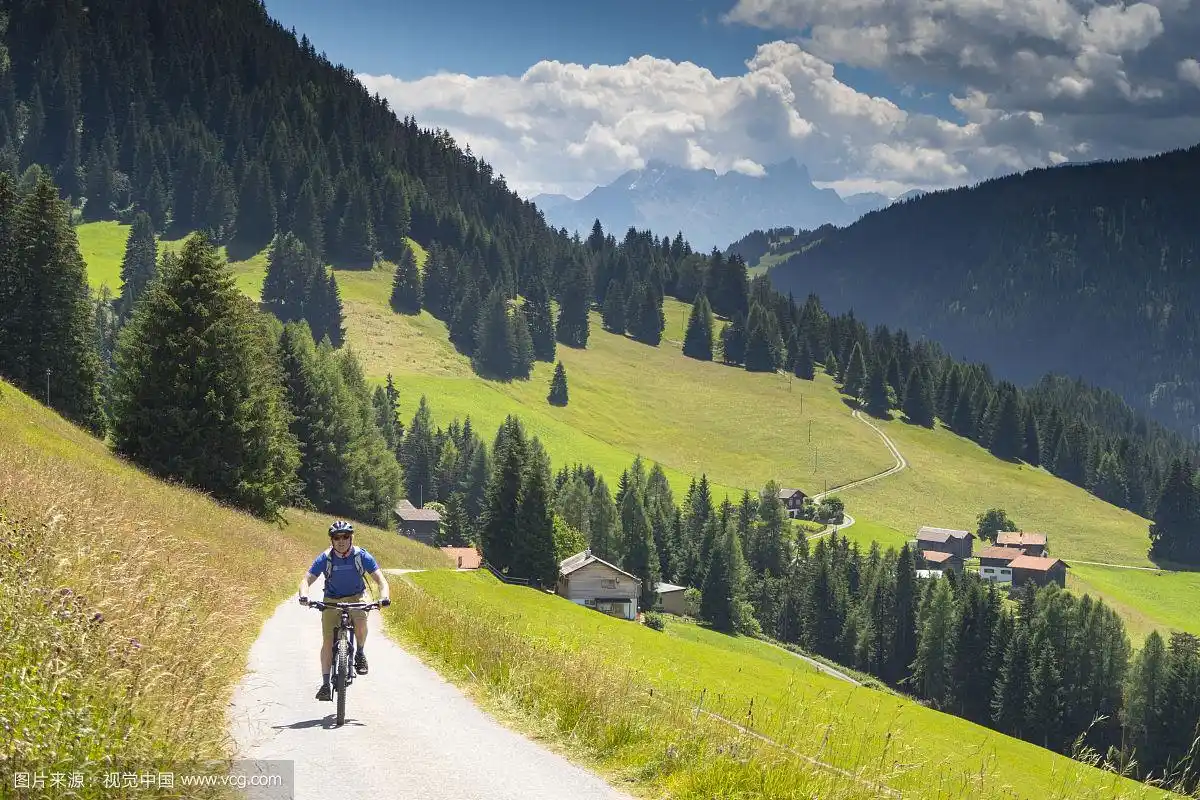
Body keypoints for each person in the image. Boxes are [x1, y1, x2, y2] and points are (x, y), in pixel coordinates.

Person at [298, 520, 391, 701]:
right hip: (332, 599)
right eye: (336, 537)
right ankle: (325, 684)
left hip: (357, 597)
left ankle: (360, 653)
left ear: (351, 538)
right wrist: (304, 595)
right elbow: (306, 580)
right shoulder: (325, 558)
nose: (341, 541)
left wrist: (384, 597)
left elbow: (381, 580)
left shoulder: (361, 556)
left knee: (361, 622)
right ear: (331, 540)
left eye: (345, 537)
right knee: (327, 640)